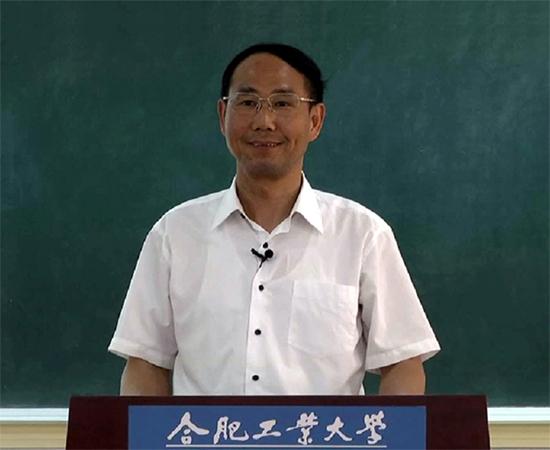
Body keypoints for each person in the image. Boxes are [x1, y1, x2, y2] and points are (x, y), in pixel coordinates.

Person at [108, 43, 440, 396]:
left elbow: (402, 364)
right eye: (248, 102)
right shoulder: (175, 234)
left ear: (315, 120)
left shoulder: (363, 234)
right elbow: (145, 363)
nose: (264, 122)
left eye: (282, 103)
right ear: (223, 115)